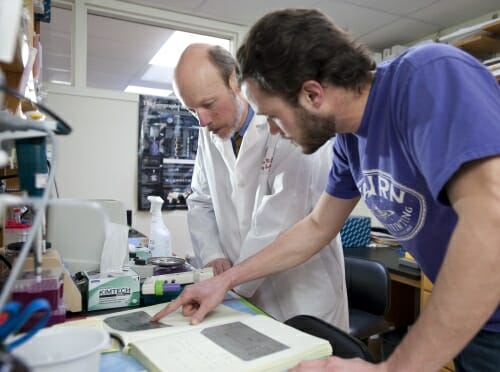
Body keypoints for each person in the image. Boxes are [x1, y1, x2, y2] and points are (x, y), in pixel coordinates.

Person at [152, 10, 500, 372]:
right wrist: (226, 280)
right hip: (473, 320)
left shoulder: (428, 75)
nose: (271, 130)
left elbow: (490, 226)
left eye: (273, 115)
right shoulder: (350, 142)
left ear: (312, 94)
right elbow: (317, 227)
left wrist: (389, 369)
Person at [168, 43, 349, 329]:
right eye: (191, 111)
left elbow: (283, 219)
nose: (201, 120)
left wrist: (229, 282)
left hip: (300, 296)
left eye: (208, 104)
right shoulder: (209, 129)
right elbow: (200, 200)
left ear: (233, 81)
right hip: (235, 289)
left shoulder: (289, 122)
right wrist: (214, 255)